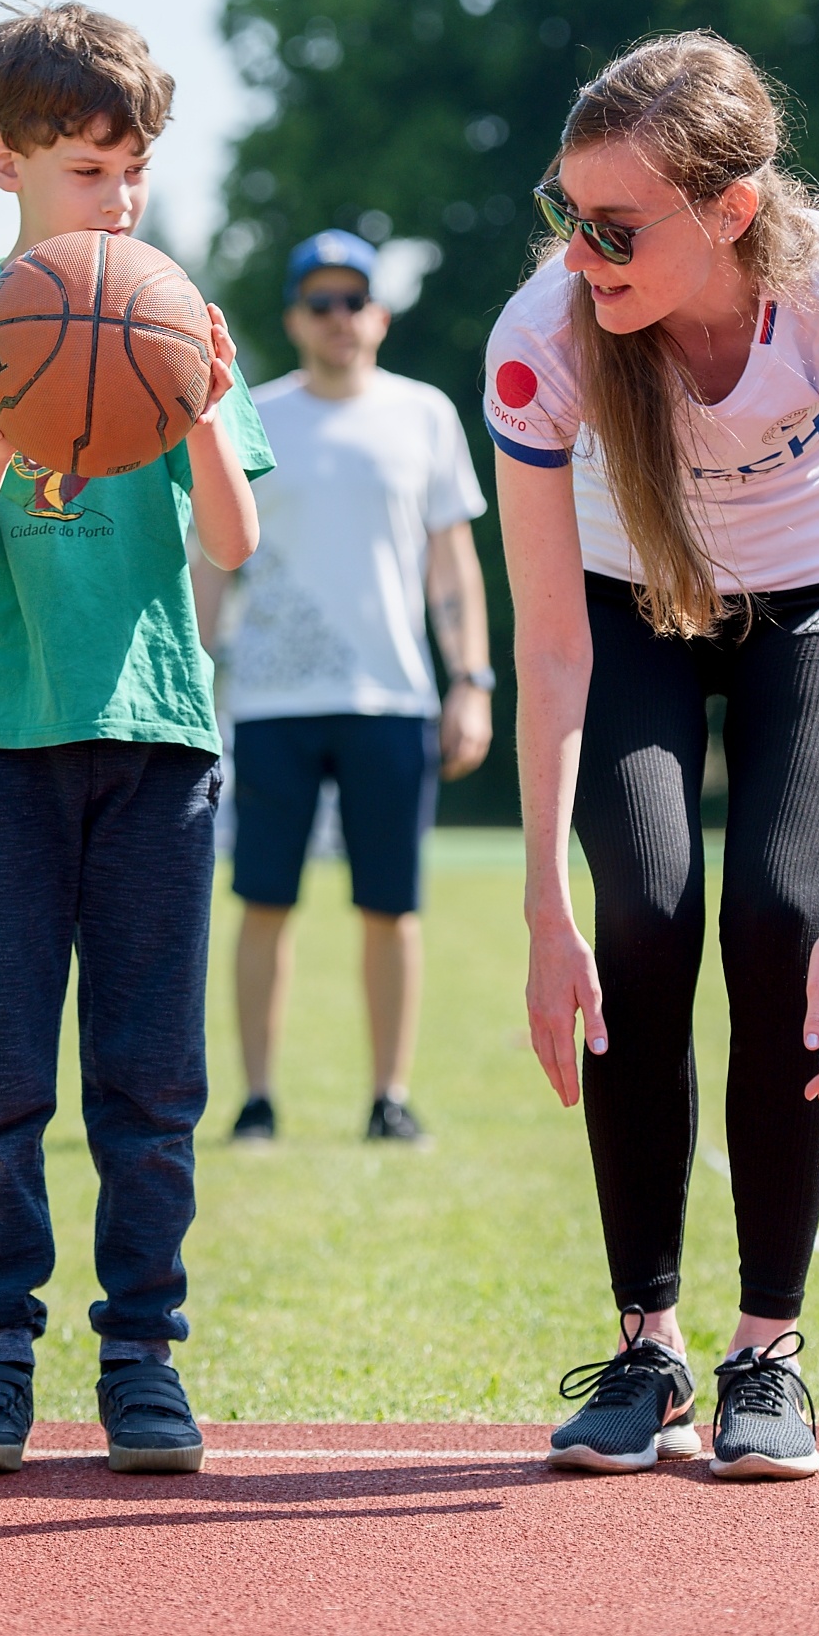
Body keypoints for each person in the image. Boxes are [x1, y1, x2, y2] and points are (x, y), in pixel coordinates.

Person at [486, 32, 819, 1480]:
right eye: (566, 216)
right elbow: (551, 648)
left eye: (615, 228)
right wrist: (543, 906)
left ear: (729, 211)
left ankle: (766, 1352)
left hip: (803, 610)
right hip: (624, 610)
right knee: (642, 909)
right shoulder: (542, 340)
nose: (580, 254)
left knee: (784, 919)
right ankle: (648, 1345)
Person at [0, 2, 273, 1476]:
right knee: (2, 1077)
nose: (118, 196)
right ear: (6, 160)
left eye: (134, 169)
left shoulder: (176, 315)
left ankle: (142, 1355)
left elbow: (234, 539)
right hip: (2, 744)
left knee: (152, 1081)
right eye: (89, 168)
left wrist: (205, 410)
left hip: (159, 736)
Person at [194, 229, 493, 1145]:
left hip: (392, 700)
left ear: (381, 315)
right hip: (272, 702)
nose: (338, 318)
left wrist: (472, 680)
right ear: (294, 318)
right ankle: (256, 1101)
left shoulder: (424, 415)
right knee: (264, 902)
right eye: (319, 303)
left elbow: (453, 561)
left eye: (353, 300)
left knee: (391, 908)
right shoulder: (252, 415)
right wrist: (194, 679)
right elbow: (215, 558)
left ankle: (388, 1098)